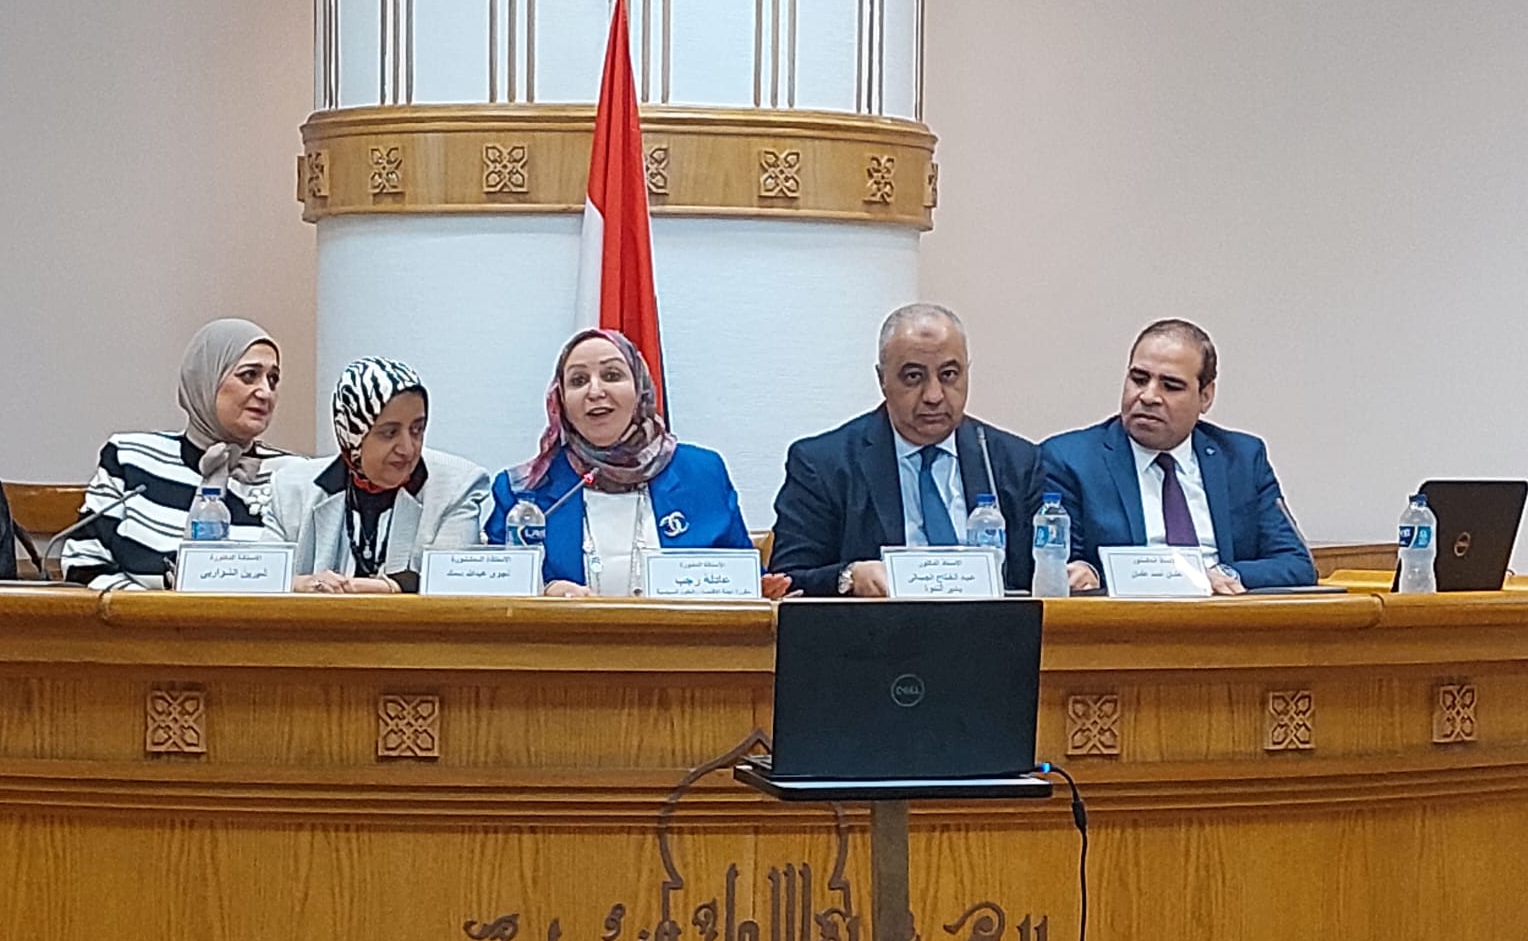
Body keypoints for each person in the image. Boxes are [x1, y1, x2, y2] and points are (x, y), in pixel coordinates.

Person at [486, 328, 789, 598]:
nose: (595, 391)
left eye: (612, 375)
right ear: (561, 399)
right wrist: (545, 590)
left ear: (639, 388)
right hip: (563, 642)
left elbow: (738, 570)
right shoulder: (524, 490)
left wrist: (758, 589)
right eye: (578, 381)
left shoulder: (702, 474)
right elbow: (496, 592)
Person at [768, 303, 1045, 596]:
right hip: (878, 624)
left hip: (993, 624)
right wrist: (848, 576)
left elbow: (1041, 575)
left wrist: (1067, 574)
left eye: (949, 375)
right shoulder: (823, 464)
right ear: (882, 380)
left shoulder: (1014, 461)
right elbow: (786, 581)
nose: (934, 396)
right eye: (914, 376)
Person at [1040, 318, 1315, 594]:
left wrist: (1225, 575)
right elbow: (1059, 564)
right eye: (1139, 379)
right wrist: (1090, 574)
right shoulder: (1070, 460)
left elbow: (1296, 563)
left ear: (1205, 396)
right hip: (1127, 615)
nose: (1148, 396)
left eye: (1170, 386)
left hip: (1225, 611)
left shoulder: (1241, 458)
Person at [62, 318, 288, 590]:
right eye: (249, 375)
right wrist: (155, 610)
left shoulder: (292, 476)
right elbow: (83, 565)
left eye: (273, 379)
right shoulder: (131, 458)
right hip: (138, 617)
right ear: (205, 379)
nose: (265, 392)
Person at [264, 357, 491, 593]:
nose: (407, 448)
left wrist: (386, 587)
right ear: (352, 434)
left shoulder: (457, 487)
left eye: (417, 430)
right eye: (389, 433)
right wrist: (299, 584)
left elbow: (452, 581)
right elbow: (260, 578)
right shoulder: (291, 489)